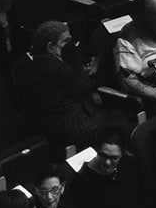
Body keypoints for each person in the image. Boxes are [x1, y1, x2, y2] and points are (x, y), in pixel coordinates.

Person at [19, 21, 113, 149]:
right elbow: (84, 88)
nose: (71, 45)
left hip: (72, 118)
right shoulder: (52, 67)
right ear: (51, 47)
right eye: (66, 41)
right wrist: (76, 61)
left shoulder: (41, 62)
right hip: (71, 128)